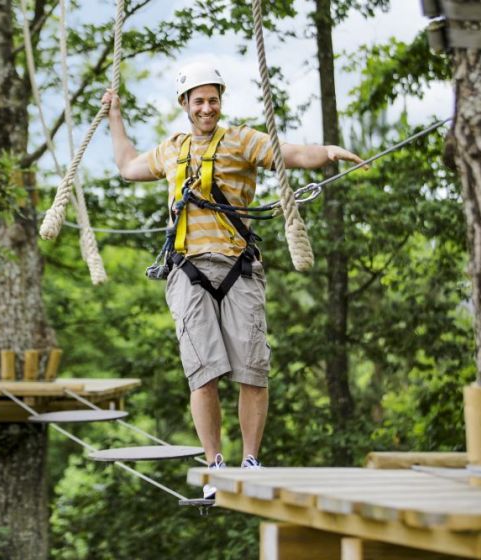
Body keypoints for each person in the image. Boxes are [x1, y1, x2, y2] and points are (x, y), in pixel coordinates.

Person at [102, 61, 363, 498]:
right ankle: (213, 465)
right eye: (199, 100)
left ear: (221, 101)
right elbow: (128, 165)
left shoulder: (241, 140)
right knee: (203, 372)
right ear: (184, 104)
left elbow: (290, 154)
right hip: (187, 268)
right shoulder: (171, 149)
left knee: (252, 370)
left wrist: (328, 151)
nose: (207, 108)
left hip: (238, 265)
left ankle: (251, 461)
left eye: (213, 99)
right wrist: (115, 115)